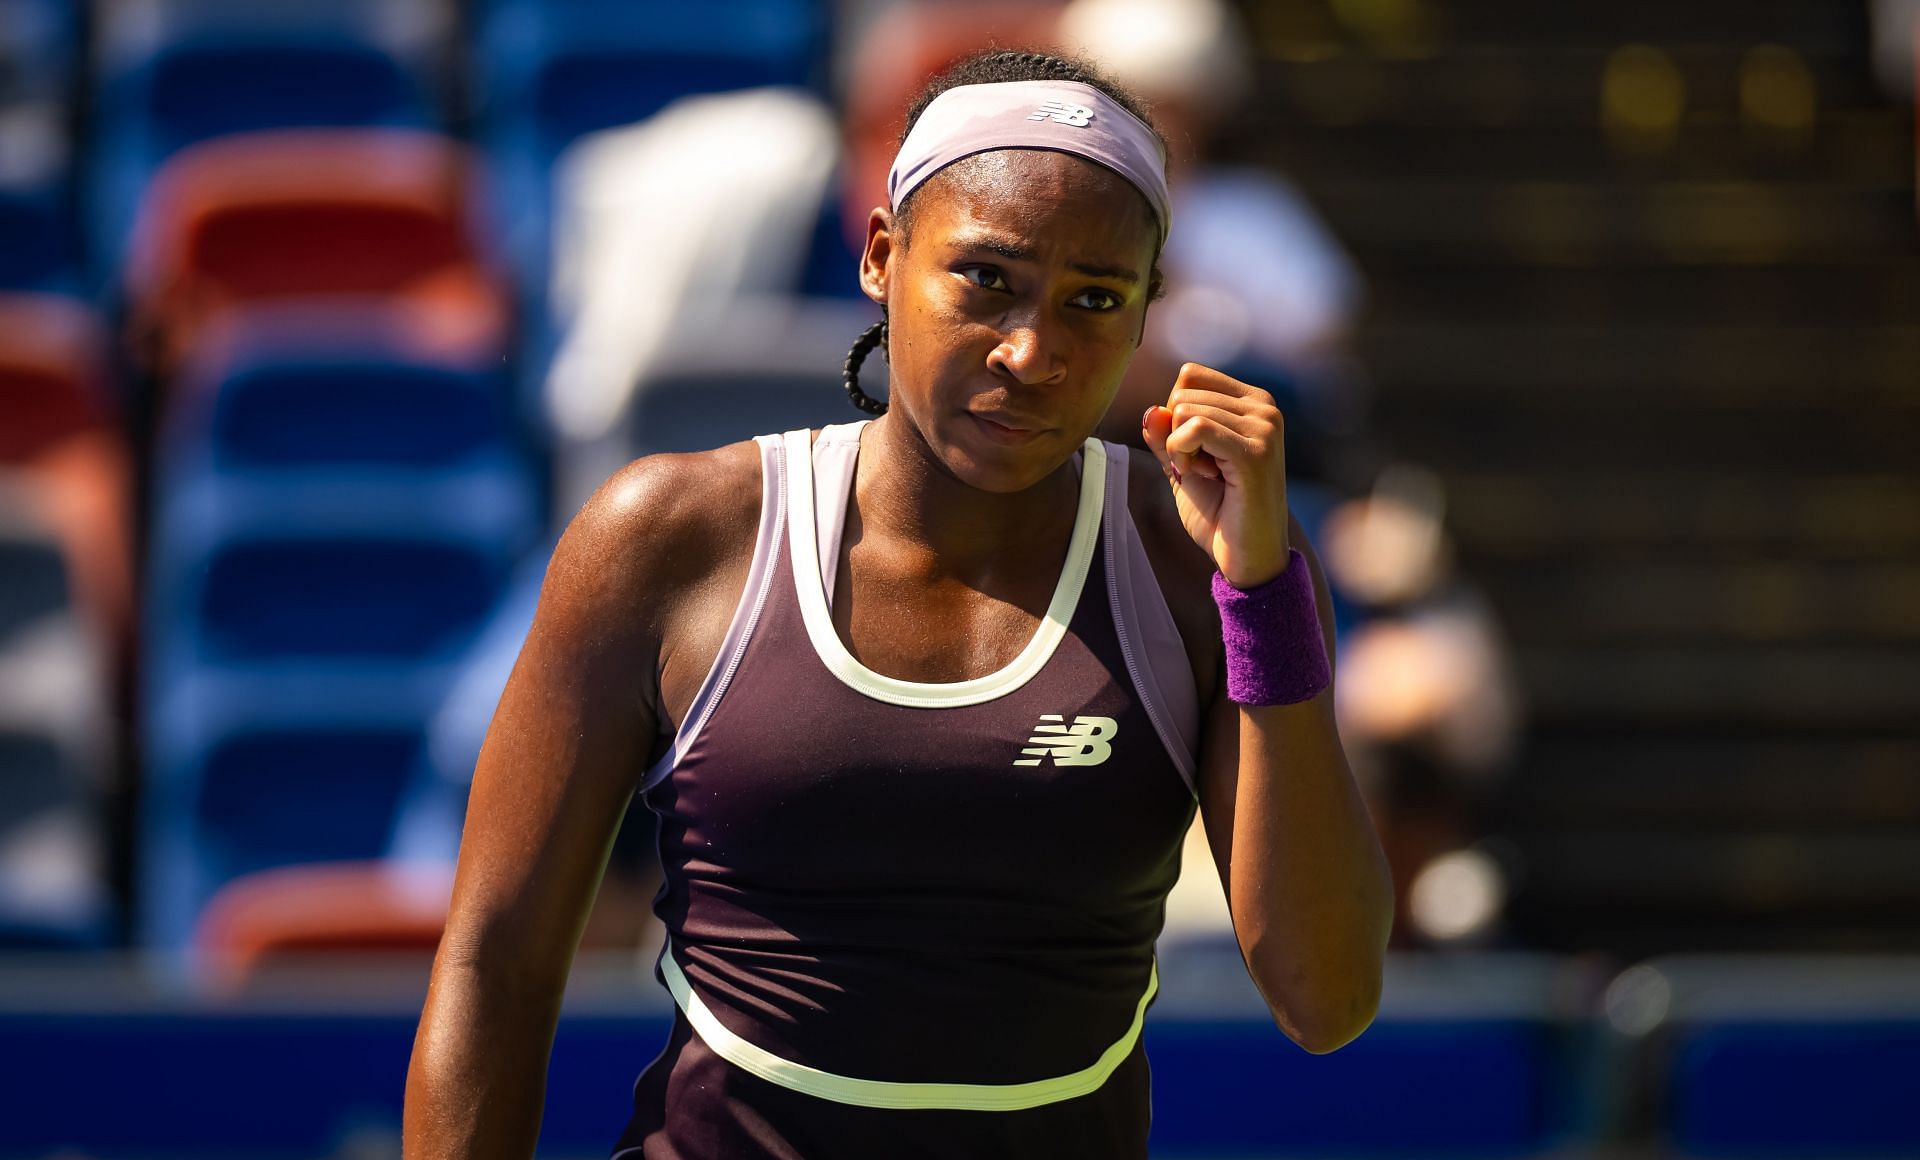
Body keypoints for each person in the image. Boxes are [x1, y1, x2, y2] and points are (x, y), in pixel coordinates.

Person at [403, 49, 1393, 1159]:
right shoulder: (666, 536)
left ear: (1149, 312)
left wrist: (1264, 595)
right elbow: (496, 957)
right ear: (883, 255)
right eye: (986, 279)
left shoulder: (1200, 564)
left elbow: (1327, 995)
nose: (1033, 351)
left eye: (1095, 300)